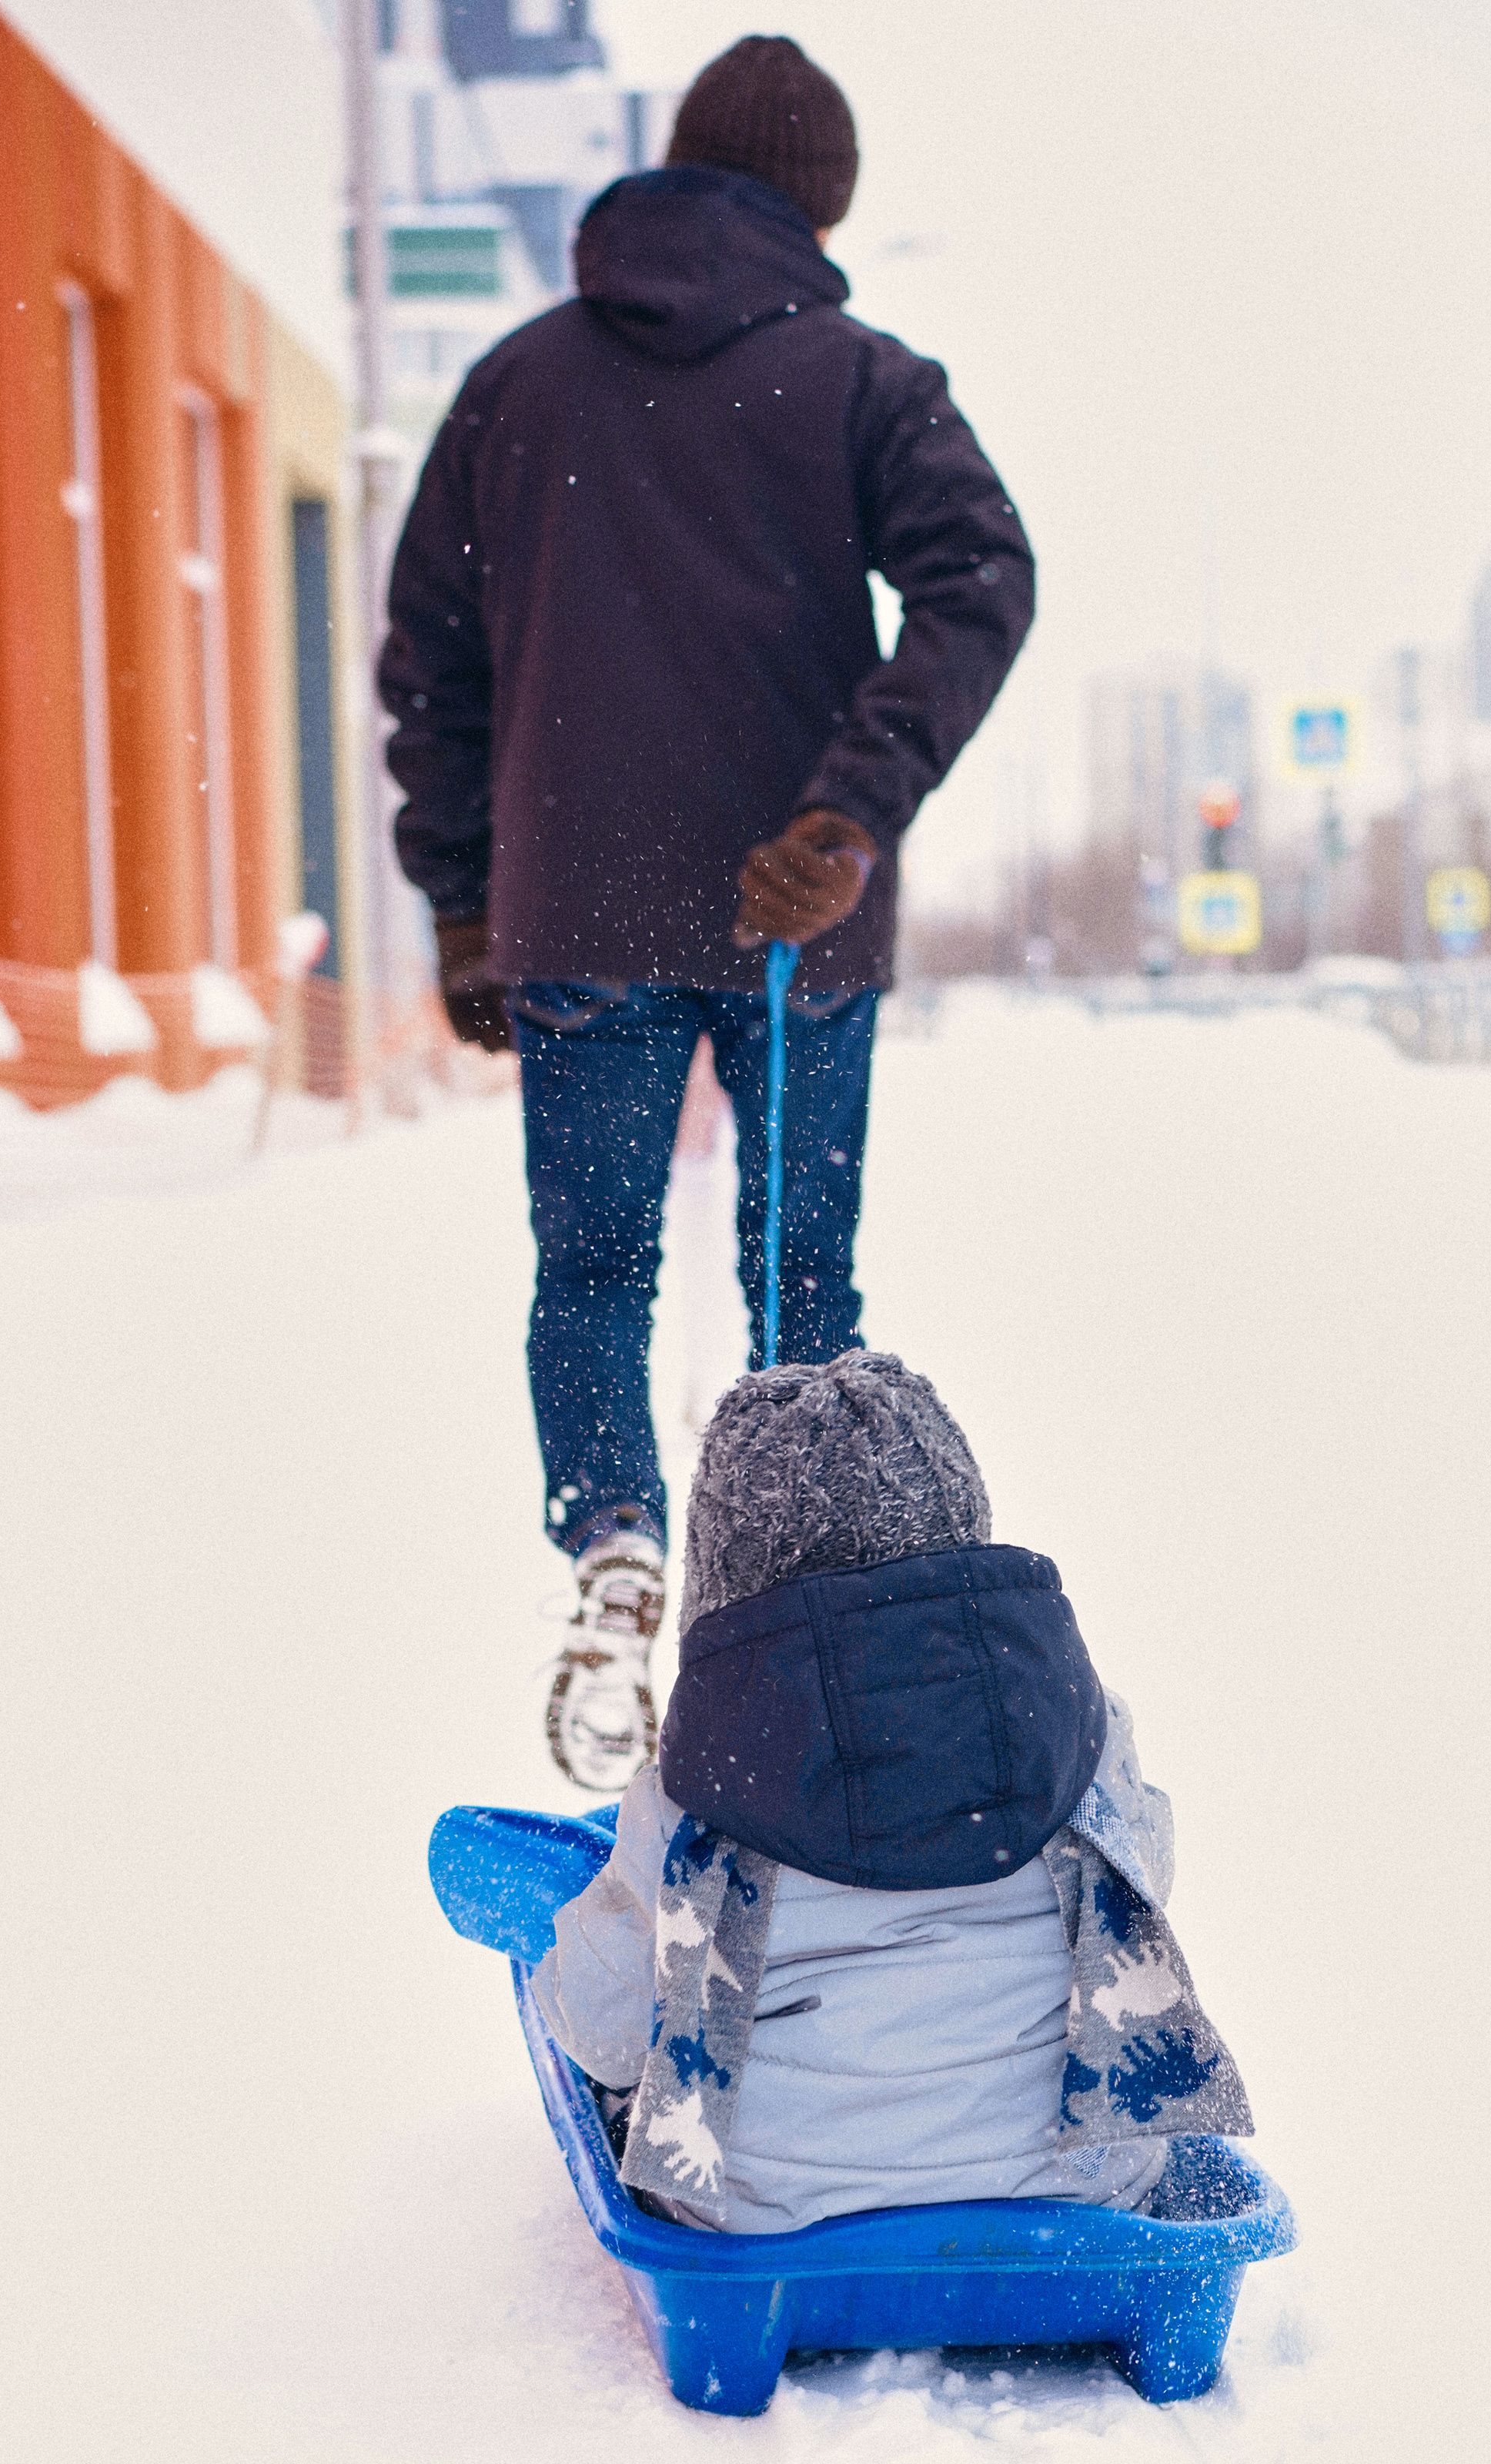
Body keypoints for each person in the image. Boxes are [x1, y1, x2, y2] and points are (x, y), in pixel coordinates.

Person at [379, 36, 1035, 1789]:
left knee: (591, 1267)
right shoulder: (863, 383)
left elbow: (427, 663)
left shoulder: (517, 386)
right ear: (819, 208)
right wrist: (849, 806)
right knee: (794, 1278)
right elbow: (984, 579)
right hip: (791, 921)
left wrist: (460, 898)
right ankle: (791, 1609)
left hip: (573, 908)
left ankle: (614, 1546)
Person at [530, 1351, 1253, 2233]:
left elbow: (603, 2030)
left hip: (764, 2207)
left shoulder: (698, 1788)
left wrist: (555, 1967)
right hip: (1081, 2187)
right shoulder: (1076, 1725)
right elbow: (1146, 1883)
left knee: (631, 2071)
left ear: (723, 1566)